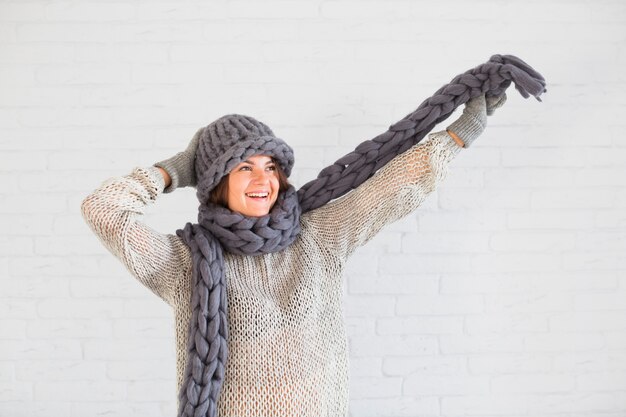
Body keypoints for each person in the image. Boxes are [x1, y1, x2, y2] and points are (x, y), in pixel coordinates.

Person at [81, 93, 505, 416]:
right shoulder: (183, 263)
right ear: (214, 182)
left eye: (271, 166)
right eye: (243, 167)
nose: (263, 178)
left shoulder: (319, 235)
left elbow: (391, 189)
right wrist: (173, 171)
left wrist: (457, 135)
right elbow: (104, 211)